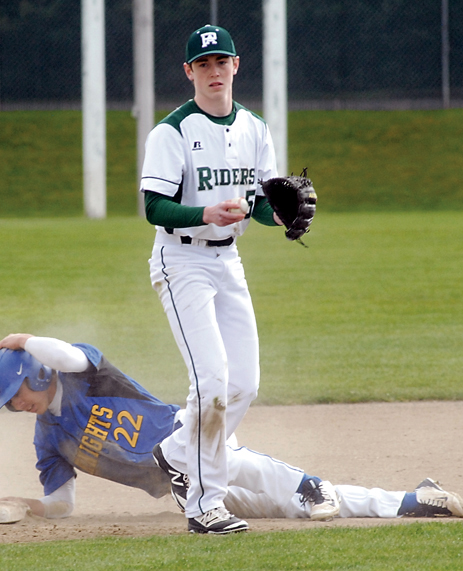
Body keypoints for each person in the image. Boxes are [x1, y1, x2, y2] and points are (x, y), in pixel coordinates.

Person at [0, 334, 463, 532]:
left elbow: (65, 352)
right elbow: (64, 503)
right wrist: (33, 505)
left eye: (18, 390)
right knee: (295, 512)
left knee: (233, 462)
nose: (19, 404)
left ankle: (306, 479)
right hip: (185, 492)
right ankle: (412, 500)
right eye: (10, 404)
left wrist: (25, 339)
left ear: (38, 371)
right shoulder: (48, 439)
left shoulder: (84, 373)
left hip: (185, 434)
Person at [140, 24, 285, 534]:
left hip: (229, 263)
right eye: (203, 64)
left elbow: (263, 203)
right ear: (189, 72)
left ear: (236, 65)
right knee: (212, 382)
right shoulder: (172, 131)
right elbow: (153, 206)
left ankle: (177, 453)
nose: (214, 71)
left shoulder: (254, 128)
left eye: (221, 61)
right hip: (182, 264)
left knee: (244, 383)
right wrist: (205, 214)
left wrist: (283, 216)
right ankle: (204, 505)